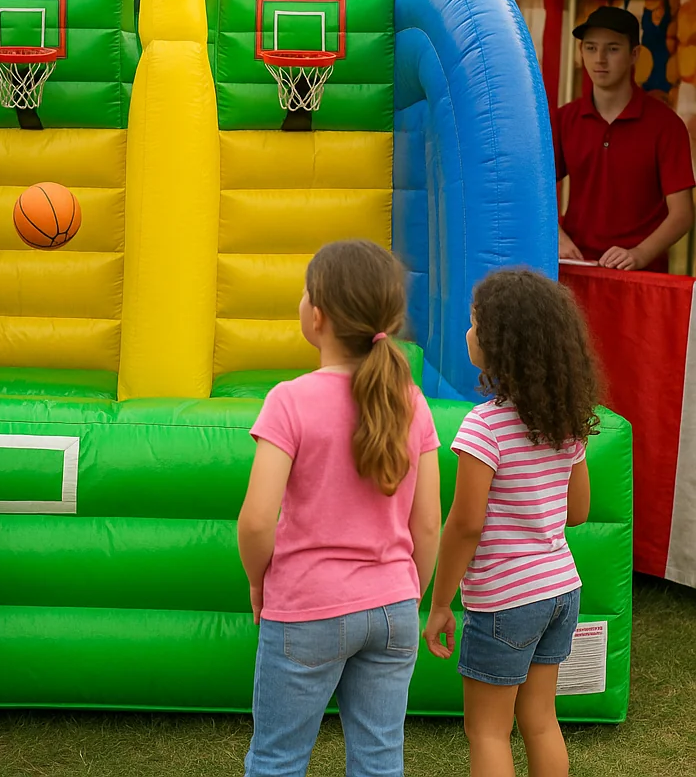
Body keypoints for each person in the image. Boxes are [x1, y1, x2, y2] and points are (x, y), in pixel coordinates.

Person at [237, 240, 442, 777]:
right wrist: (409, 592)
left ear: (318, 315)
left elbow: (256, 520)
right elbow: (427, 524)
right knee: (379, 763)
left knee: (277, 760)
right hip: (393, 607)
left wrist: (259, 582)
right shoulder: (412, 402)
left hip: (307, 605)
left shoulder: (290, 400)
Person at [424, 269, 600, 777]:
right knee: (541, 721)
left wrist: (440, 602)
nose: (468, 333)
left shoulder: (484, 427)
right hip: (560, 590)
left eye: (475, 324)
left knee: (487, 731)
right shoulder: (566, 421)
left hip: (505, 600)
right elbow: (578, 511)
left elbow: (465, 525)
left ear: (501, 344)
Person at [555, 4, 694, 272]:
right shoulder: (564, 119)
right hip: (576, 269)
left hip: (642, 279)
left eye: (613, 49)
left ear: (634, 55)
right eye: (591, 48)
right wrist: (557, 237)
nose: (600, 59)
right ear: (581, 51)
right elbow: (527, 189)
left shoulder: (666, 125)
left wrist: (639, 254)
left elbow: (683, 214)